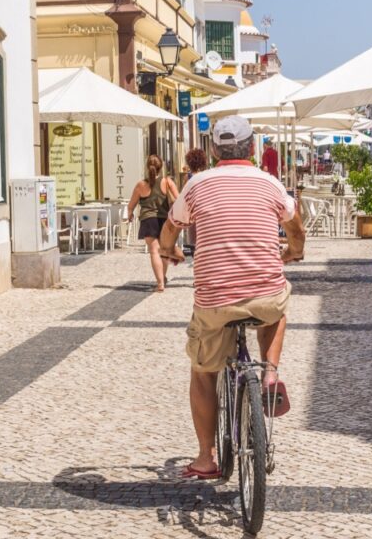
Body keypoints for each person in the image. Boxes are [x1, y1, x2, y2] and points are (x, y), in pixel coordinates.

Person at [158, 116, 305, 481]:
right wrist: (293, 252)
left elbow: (169, 230)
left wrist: (169, 252)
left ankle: (207, 458)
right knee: (277, 304)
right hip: (264, 295)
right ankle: (269, 374)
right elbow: (295, 226)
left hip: (215, 303)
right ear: (252, 148)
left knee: (203, 371)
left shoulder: (196, 185)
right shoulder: (269, 183)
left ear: (212, 151)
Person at [126, 155, 179, 292]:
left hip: (148, 221)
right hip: (164, 220)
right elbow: (179, 200)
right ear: (161, 167)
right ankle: (163, 277)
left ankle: (160, 283)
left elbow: (131, 205)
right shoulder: (167, 182)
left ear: (147, 167)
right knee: (163, 251)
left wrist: (130, 214)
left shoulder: (140, 185)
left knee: (154, 251)